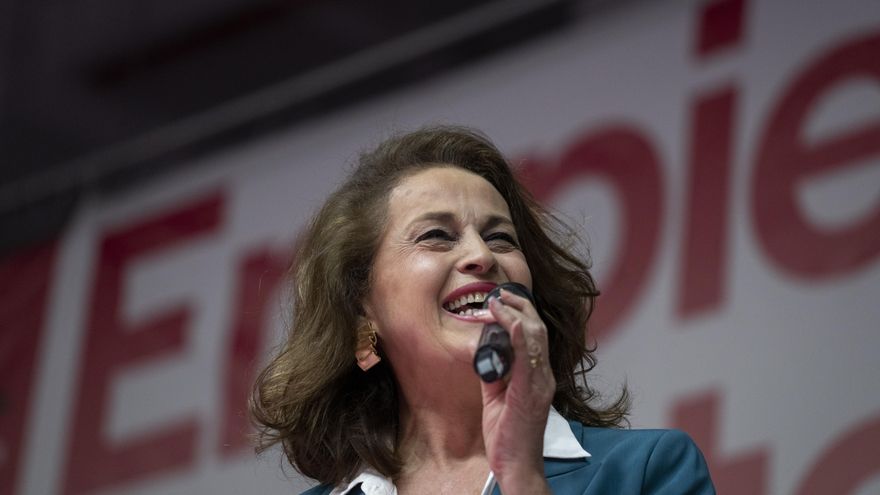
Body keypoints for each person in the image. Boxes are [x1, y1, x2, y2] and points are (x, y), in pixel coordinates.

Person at [250, 126, 715, 494]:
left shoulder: (646, 472)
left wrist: (524, 478)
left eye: (501, 238)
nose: (482, 256)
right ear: (361, 309)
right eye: (437, 235)